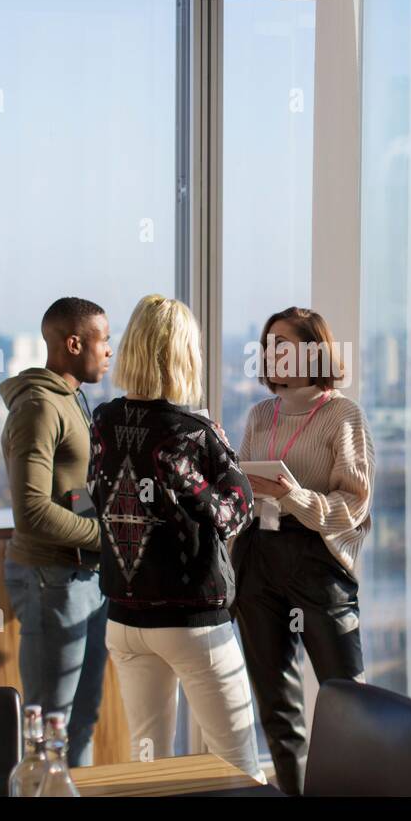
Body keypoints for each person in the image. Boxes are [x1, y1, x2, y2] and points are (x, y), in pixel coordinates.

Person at [89, 294, 264, 782]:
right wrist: (205, 468)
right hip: (192, 620)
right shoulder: (194, 432)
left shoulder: (103, 421)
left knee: (150, 772)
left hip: (124, 618)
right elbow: (235, 514)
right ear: (185, 354)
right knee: (238, 768)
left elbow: (101, 496)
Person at [232, 306, 376, 794]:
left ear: (314, 350)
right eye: (268, 344)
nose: (272, 354)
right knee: (276, 706)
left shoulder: (343, 414)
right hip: (260, 556)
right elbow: (244, 494)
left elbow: (353, 506)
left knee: (346, 698)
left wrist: (291, 495)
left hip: (317, 560)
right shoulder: (260, 414)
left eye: (284, 345)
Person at [0, 296, 113, 767]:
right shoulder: (39, 408)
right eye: (104, 340)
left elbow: (70, 491)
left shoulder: (71, 399)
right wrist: (107, 537)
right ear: (73, 343)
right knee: (49, 731)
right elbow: (31, 511)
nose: (110, 351)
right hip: (53, 581)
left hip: (85, 579)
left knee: (82, 720)